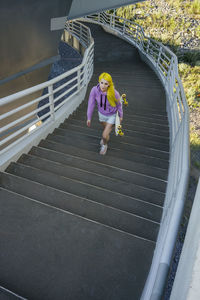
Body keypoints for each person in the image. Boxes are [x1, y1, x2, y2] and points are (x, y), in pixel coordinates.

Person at [87, 72, 123, 155]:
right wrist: (89, 117)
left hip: (112, 115)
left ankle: (104, 144)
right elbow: (91, 104)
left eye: (106, 84)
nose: (103, 86)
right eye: (101, 83)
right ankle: (105, 138)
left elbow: (119, 105)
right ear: (99, 82)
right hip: (102, 115)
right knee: (106, 132)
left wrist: (121, 116)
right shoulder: (94, 90)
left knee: (104, 135)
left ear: (109, 84)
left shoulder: (114, 93)